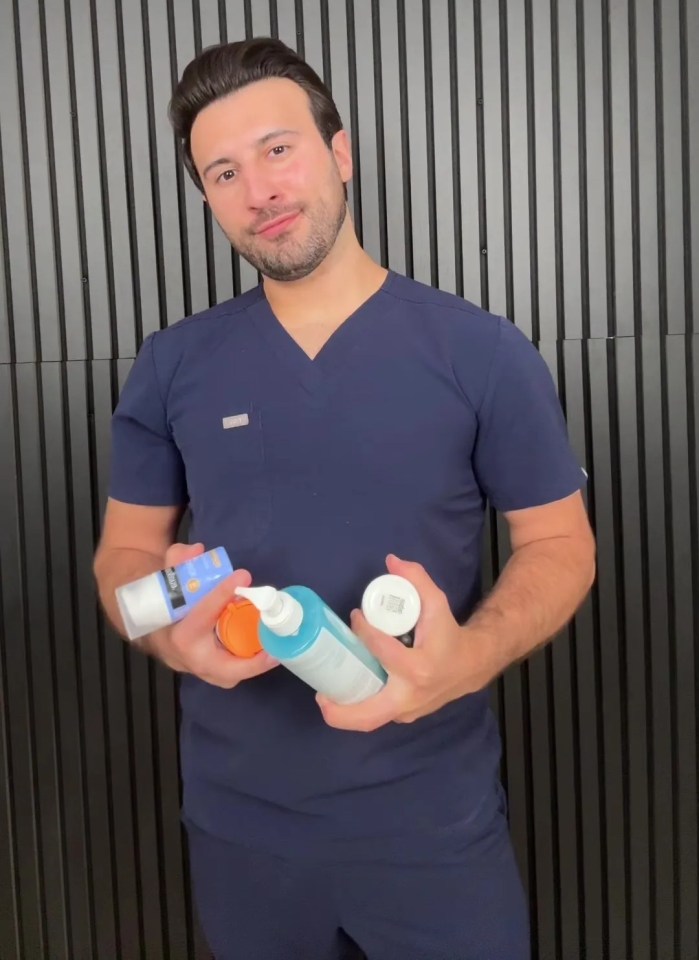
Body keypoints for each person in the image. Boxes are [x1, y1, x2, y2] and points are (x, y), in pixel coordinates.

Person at [93, 37, 596, 960]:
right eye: (224, 171)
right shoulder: (174, 365)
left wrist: (466, 659)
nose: (260, 189)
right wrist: (170, 633)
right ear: (208, 198)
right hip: (241, 834)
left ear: (341, 153)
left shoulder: (479, 353)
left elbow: (561, 545)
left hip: (431, 830)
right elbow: (124, 563)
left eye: (279, 149)